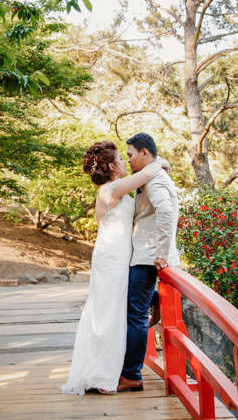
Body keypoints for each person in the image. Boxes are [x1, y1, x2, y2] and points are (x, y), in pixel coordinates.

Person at [60, 140, 169, 395]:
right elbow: (146, 173)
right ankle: (102, 372)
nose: (124, 162)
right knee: (107, 313)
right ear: (111, 167)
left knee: (117, 309)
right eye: (120, 159)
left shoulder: (118, 188)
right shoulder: (110, 189)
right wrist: (161, 162)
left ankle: (115, 367)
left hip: (121, 255)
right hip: (111, 257)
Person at [119, 132, 181, 392]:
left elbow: (165, 210)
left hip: (148, 258)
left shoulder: (155, 179)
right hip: (145, 255)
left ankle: (131, 374)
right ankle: (154, 298)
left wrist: (162, 252)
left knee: (134, 316)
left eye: (130, 155)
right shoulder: (154, 173)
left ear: (145, 152)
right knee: (133, 307)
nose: (128, 160)